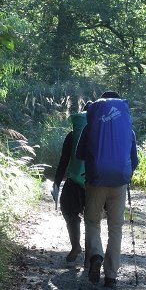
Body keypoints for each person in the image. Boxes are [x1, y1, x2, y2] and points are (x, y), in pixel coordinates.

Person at [76, 91, 139, 288]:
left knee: (93, 221)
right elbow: (134, 160)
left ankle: (96, 255)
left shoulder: (91, 127)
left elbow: (79, 155)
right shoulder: (128, 130)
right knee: (115, 227)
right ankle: (111, 275)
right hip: (119, 183)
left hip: (96, 181)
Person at [52, 102, 91, 263]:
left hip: (74, 181)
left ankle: (76, 245)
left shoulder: (73, 135)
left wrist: (56, 183)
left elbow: (64, 161)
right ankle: (91, 255)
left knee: (69, 211)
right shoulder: (102, 134)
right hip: (95, 182)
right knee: (92, 220)